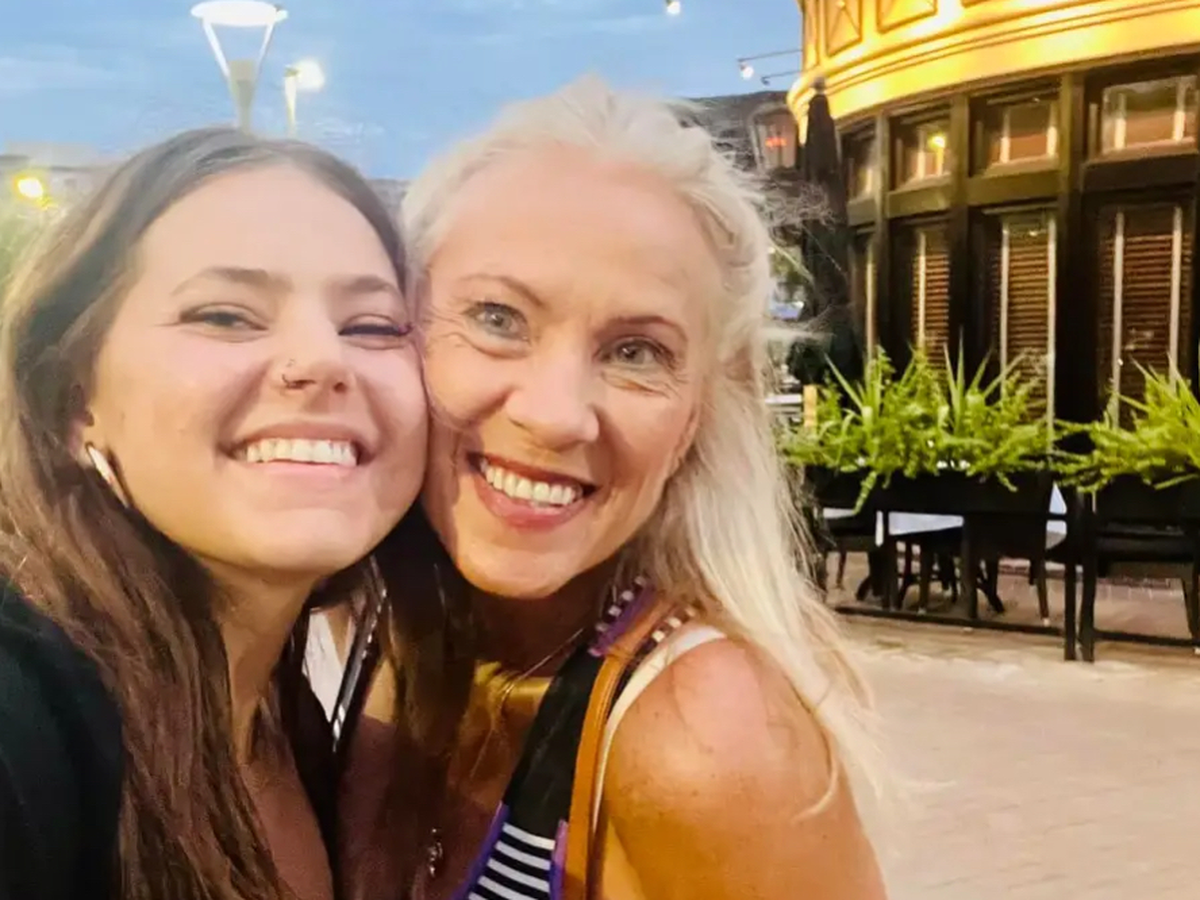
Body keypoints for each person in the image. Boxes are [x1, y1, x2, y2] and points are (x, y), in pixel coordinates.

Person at [341, 77, 886, 900]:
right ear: (400, 333)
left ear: (697, 415)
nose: (557, 415)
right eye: (497, 318)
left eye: (636, 353)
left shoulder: (705, 742)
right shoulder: (380, 627)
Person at [0, 127, 427, 900]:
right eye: (226, 316)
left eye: (371, 326)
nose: (323, 359)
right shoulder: (27, 714)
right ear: (73, 399)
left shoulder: (283, 719)